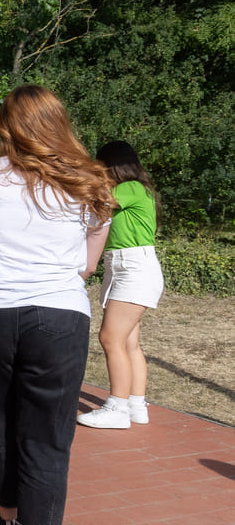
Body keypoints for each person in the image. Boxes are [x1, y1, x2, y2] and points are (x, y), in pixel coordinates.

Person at [0, 85, 112, 525]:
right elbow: (88, 266)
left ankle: (6, 520)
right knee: (47, 429)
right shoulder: (90, 182)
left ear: (6, 125)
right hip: (58, 314)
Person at [78, 140, 163, 430]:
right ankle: (136, 404)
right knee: (129, 343)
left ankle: (117, 406)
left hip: (133, 268)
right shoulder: (135, 188)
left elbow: (96, 204)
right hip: (125, 267)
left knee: (110, 339)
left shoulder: (130, 189)